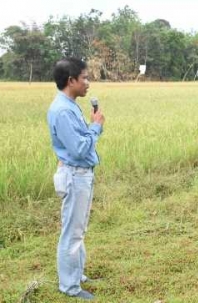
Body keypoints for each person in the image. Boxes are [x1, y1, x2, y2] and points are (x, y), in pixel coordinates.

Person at [47, 58, 105, 300]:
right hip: (74, 175)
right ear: (71, 81)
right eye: (84, 78)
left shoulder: (69, 105)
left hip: (80, 174)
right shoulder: (61, 110)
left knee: (78, 230)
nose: (88, 83)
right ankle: (69, 287)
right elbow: (80, 148)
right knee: (72, 232)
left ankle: (77, 275)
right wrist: (96, 127)